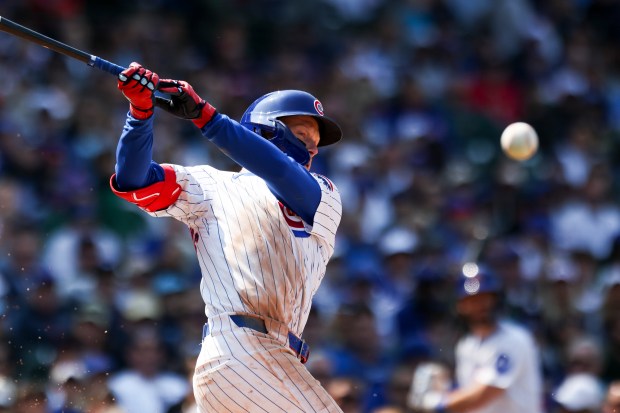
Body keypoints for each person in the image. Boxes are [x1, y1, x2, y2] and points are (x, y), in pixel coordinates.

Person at [110, 62, 344, 412]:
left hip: (273, 359)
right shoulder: (210, 186)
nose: (312, 149)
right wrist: (140, 113)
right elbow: (134, 179)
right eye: (302, 135)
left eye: (315, 143)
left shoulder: (324, 193)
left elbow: (280, 170)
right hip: (239, 349)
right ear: (265, 131)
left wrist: (206, 116)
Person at [409, 263, 543, 413]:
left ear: (496, 299)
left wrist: (439, 403)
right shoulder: (467, 346)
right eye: (473, 300)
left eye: (485, 298)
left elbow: (487, 392)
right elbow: (469, 397)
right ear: (461, 306)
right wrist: (443, 390)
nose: (481, 306)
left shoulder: (514, 339)